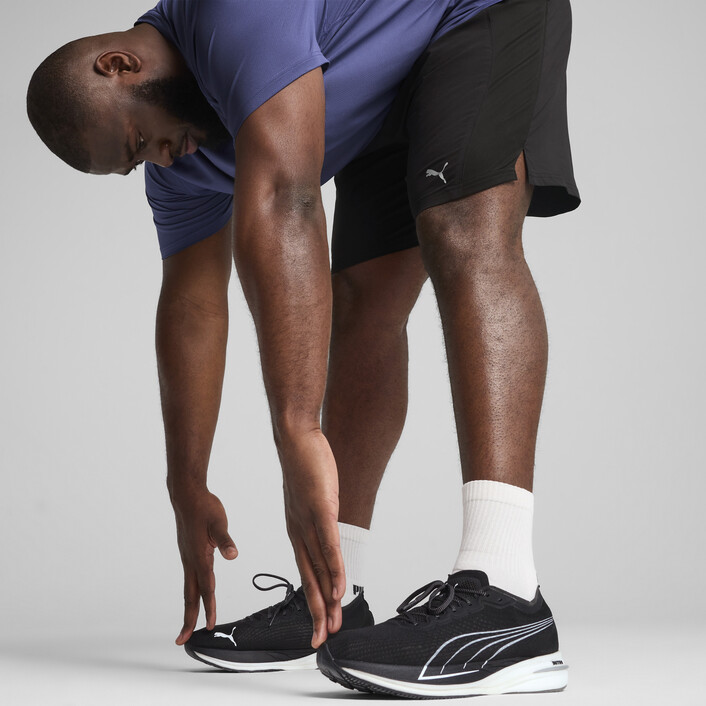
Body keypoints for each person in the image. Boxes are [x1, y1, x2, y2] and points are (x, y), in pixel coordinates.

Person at [27, 0, 580, 697]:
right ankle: (335, 597)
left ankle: (508, 594)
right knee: (360, 303)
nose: (158, 160)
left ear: (119, 65)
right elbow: (194, 306)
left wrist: (297, 426)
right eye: (136, 163)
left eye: (140, 142)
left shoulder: (231, 13)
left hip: (477, 12)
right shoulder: (187, 157)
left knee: (463, 228)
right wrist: (186, 482)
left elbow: (288, 199)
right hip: (393, 72)